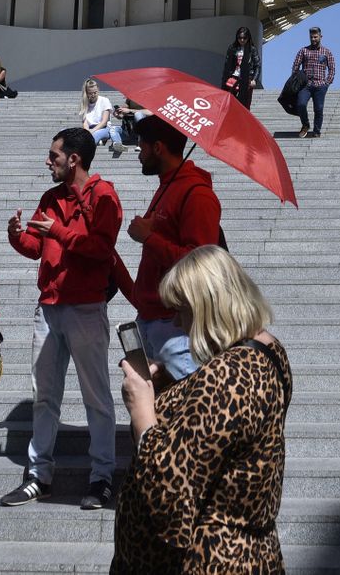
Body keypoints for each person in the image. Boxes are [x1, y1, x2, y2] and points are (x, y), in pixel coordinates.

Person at [112, 246, 291, 574]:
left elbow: (171, 498)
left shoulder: (229, 374)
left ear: (210, 306)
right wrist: (169, 386)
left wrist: (142, 413)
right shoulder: (265, 350)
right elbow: (217, 430)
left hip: (210, 560)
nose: (177, 322)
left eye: (182, 309)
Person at [2, 128, 124, 510]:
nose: (47, 161)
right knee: (43, 395)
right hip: (49, 306)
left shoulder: (104, 196)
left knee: (97, 398)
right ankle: (39, 475)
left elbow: (101, 250)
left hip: (86, 306)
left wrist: (59, 230)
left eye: (54, 155)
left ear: (74, 159)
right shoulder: (50, 198)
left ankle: (102, 477)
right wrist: (17, 236)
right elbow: (38, 248)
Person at [126, 115, 224, 381]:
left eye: (141, 146)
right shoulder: (167, 186)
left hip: (175, 325)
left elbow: (200, 262)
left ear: (158, 147)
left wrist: (149, 238)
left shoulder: (197, 194)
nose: (139, 154)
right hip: (152, 318)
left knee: (189, 407)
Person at [290, 25, 336, 137]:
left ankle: (316, 131)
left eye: (315, 37)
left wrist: (327, 82)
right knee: (301, 104)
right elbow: (295, 66)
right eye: (311, 37)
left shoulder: (327, 52)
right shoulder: (304, 51)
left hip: (320, 85)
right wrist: (295, 80)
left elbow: (332, 68)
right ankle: (305, 125)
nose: (313, 39)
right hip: (306, 85)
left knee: (318, 109)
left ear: (321, 36)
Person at [79, 78, 126, 157]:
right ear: (86, 93)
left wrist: (92, 131)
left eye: (95, 92)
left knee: (94, 135)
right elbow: (85, 122)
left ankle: (85, 152)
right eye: (90, 93)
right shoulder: (84, 103)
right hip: (90, 129)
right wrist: (87, 131)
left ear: (98, 90)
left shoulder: (104, 100)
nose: (93, 95)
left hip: (104, 128)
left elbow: (104, 121)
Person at [221, 26, 261, 109]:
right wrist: (225, 79)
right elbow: (227, 65)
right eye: (240, 38)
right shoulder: (232, 48)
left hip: (247, 79)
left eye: (244, 38)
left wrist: (254, 79)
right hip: (233, 78)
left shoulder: (252, 49)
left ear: (248, 38)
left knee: (245, 104)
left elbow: (257, 65)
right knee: (229, 102)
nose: (242, 40)